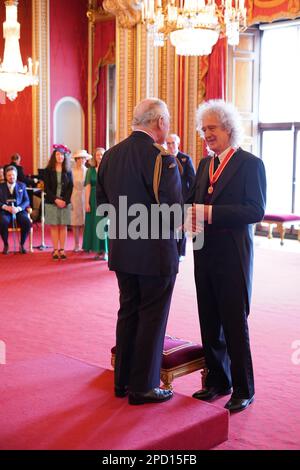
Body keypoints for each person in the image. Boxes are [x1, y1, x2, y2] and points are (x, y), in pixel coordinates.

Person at [96, 98, 182, 405]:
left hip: (121, 251)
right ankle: (144, 386)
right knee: (152, 319)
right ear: (159, 122)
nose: (167, 126)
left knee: (128, 312)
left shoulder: (110, 156)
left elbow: (103, 208)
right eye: (167, 121)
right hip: (155, 254)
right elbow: (174, 214)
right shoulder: (162, 159)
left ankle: (122, 382)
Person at [188, 99, 266, 412]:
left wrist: (209, 213)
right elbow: (192, 201)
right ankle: (218, 381)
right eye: (203, 128)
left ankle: (244, 388)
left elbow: (255, 210)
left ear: (229, 129)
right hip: (203, 253)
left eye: (212, 128)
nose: (206, 133)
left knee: (234, 323)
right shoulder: (205, 164)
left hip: (233, 255)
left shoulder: (250, 164)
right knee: (208, 320)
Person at [166, 133, 195, 260]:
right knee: (170, 225)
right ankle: (171, 250)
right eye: (168, 143)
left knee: (182, 225)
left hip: (183, 198)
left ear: (178, 144)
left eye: (173, 143)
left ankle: (180, 252)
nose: (171, 145)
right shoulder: (163, 158)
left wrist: (190, 198)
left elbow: (192, 180)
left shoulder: (185, 159)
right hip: (167, 199)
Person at [44, 144, 73, 260]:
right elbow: (46, 188)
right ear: (54, 156)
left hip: (64, 202)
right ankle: (55, 250)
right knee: (54, 226)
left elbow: (71, 187)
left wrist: (64, 201)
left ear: (64, 157)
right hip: (52, 201)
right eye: (57, 154)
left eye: (61, 155)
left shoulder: (68, 170)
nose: (60, 156)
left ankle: (62, 249)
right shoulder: (48, 170)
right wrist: (55, 200)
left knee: (63, 226)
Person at [82, 147, 108, 260]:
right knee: (94, 224)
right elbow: (87, 187)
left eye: (102, 154)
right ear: (94, 157)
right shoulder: (90, 170)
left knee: (104, 224)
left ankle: (105, 251)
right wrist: (87, 202)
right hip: (93, 199)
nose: (100, 157)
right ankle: (97, 250)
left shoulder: (109, 169)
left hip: (105, 199)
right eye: (98, 155)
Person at [0, 166, 31, 254]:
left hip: (19, 211)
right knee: (3, 222)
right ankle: (6, 244)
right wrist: (6, 207)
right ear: (6, 176)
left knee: (26, 222)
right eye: (9, 175)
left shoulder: (22, 185)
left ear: (16, 175)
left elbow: (27, 200)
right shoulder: (1, 187)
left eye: (13, 175)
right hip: (5, 211)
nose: (11, 177)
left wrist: (18, 208)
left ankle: (22, 244)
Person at [71, 150, 91, 252]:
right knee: (75, 222)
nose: (81, 160)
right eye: (79, 158)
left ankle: (85, 244)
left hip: (85, 195)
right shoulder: (72, 171)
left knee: (85, 221)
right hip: (74, 196)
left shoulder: (88, 171)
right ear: (76, 160)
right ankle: (76, 244)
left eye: (83, 158)